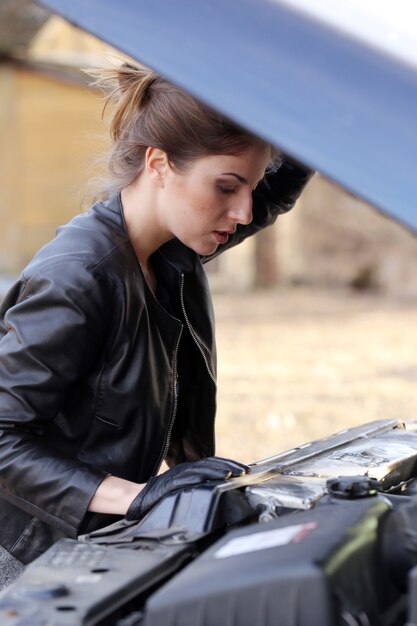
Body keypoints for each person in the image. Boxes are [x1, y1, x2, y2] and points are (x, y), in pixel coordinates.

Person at [0, 64, 312, 579]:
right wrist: (142, 495)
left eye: (249, 189)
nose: (241, 211)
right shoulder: (78, 278)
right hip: (29, 559)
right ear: (159, 163)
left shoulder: (169, 248)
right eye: (228, 187)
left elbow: (272, 194)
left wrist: (317, 117)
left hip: (100, 538)